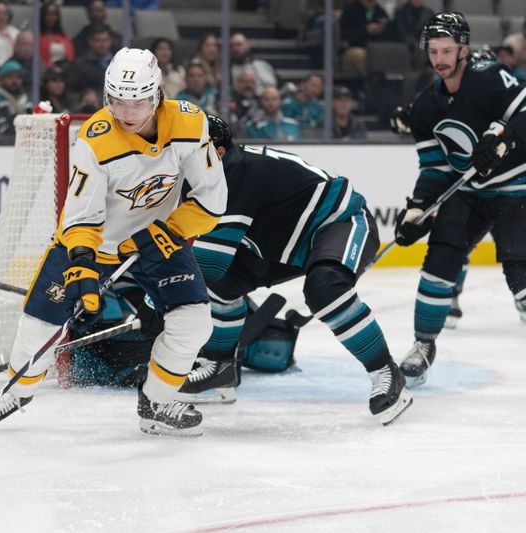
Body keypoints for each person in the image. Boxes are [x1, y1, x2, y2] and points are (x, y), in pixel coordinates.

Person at [0, 47, 227, 436]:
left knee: (194, 321)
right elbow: (79, 218)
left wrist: (168, 230)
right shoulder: (96, 140)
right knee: (41, 322)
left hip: (158, 241)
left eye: (138, 102)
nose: (127, 113)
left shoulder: (190, 124)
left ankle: (157, 399)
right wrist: (83, 267)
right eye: (118, 101)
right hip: (94, 242)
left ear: (156, 95)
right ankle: (17, 390)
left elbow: (212, 201)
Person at [185, 114, 412, 425]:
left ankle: (387, 372)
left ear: (218, 153)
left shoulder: (233, 174)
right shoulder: (210, 173)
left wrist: (159, 295)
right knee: (221, 286)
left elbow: (208, 264)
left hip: (338, 221)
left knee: (325, 289)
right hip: (279, 244)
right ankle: (220, 368)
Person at [393, 12, 526, 388]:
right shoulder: (424, 107)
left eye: (447, 50)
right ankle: (423, 345)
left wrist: (506, 140)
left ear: (463, 49)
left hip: (516, 187)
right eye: (434, 51)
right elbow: (435, 168)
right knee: (439, 263)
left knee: (521, 275)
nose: (440, 59)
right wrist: (419, 207)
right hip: (468, 194)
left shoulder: (491, 78)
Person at [0, 60, 32, 135]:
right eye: (10, 77)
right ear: (1, 79)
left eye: (18, 77)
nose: (14, 81)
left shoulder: (25, 98)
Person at [39, 1, 75, 68]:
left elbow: (71, 58)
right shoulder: (37, 38)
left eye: (55, 14)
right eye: (48, 14)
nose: (52, 18)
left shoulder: (65, 38)